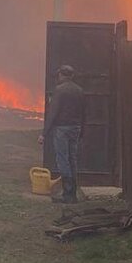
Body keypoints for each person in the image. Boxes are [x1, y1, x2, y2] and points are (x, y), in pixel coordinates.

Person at [39, 64, 86, 201]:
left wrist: (44, 133)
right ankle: (73, 193)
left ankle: (67, 194)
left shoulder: (59, 90)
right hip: (75, 128)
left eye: (59, 75)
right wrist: (82, 130)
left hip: (62, 129)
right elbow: (84, 113)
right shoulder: (79, 90)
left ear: (62, 75)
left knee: (63, 160)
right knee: (73, 159)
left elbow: (53, 113)